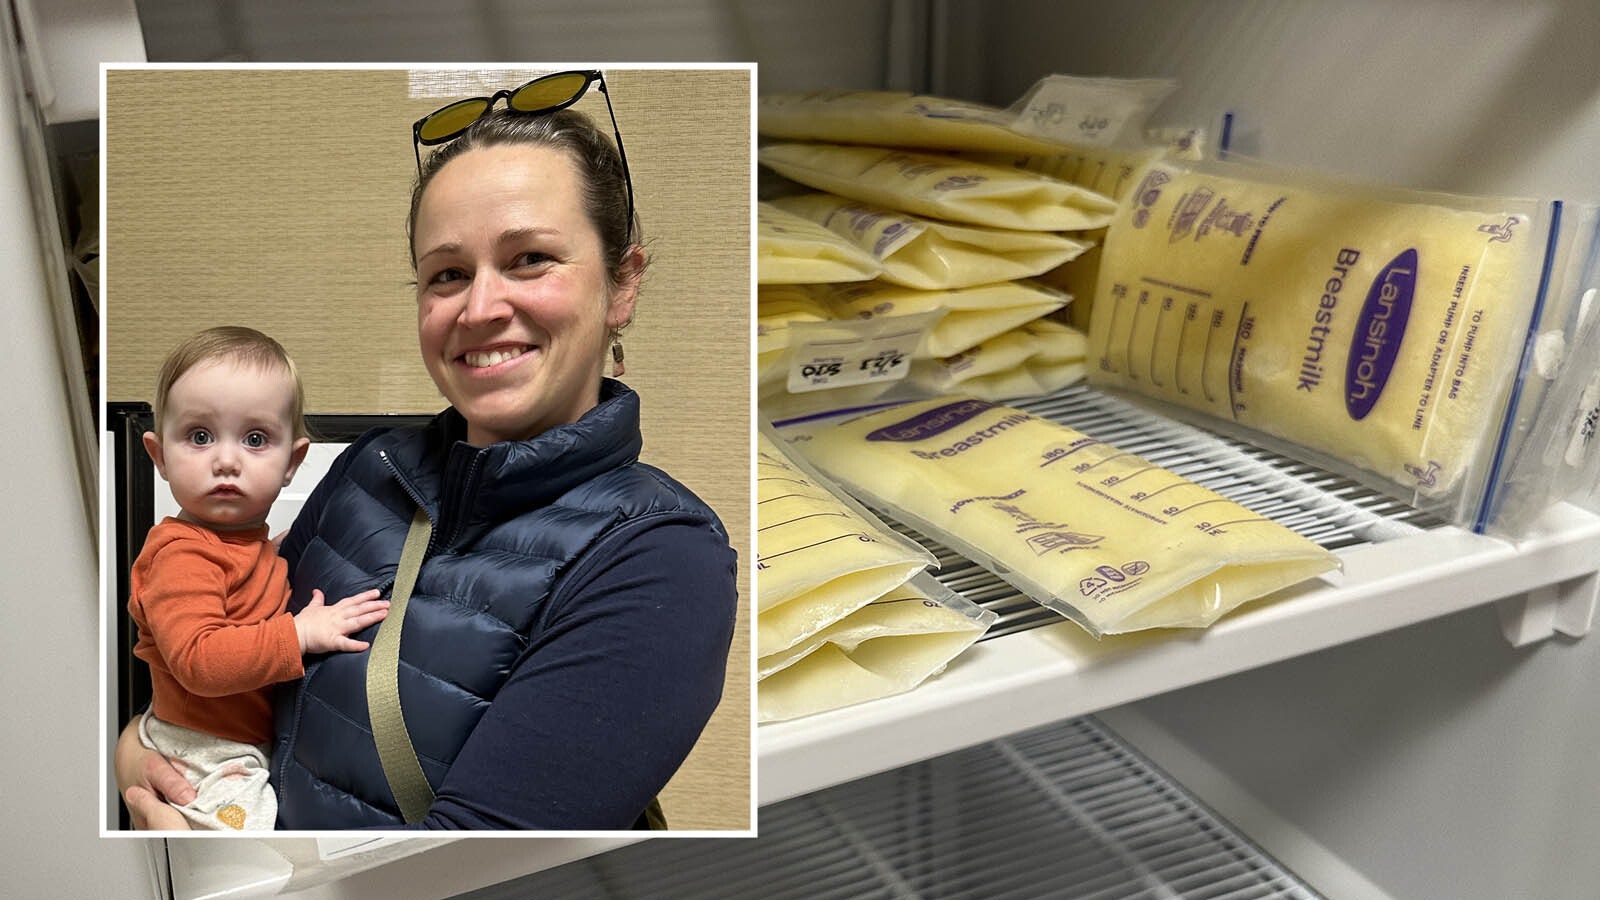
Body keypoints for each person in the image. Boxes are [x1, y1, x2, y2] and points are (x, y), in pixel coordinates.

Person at [118, 72, 740, 830]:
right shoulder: (370, 473)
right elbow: (241, 669)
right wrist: (137, 751)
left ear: (622, 284)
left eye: (530, 259)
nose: (480, 308)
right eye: (448, 273)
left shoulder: (658, 558)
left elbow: (474, 868)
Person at [127, 326, 391, 830]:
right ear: (159, 456)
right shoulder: (182, 555)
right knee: (243, 854)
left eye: (255, 439)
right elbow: (200, 659)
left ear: (292, 462)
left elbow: (240, 589)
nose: (226, 460)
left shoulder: (244, 545)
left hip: (231, 739)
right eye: (200, 437)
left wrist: (277, 551)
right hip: (205, 749)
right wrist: (299, 634)